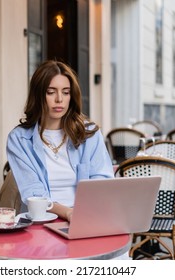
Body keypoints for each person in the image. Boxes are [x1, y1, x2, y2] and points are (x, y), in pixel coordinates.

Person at [6, 60, 114, 222]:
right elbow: (34, 194)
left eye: (66, 92)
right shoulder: (19, 139)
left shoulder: (89, 134)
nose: (59, 99)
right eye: (51, 92)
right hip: (41, 220)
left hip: (86, 217)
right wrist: (69, 214)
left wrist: (82, 215)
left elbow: (102, 181)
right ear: (38, 95)